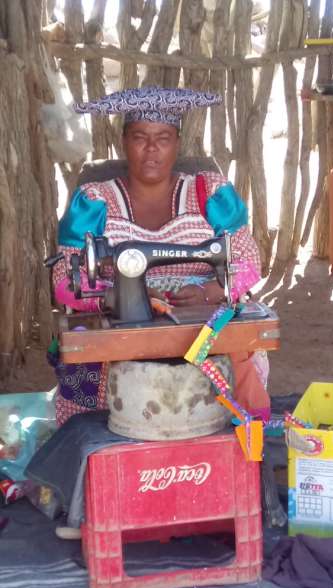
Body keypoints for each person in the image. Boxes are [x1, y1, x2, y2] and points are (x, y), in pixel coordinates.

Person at [51, 86, 270, 430]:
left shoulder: (210, 192)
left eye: (163, 138)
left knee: (237, 357)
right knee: (91, 377)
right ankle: (100, 457)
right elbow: (65, 278)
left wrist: (208, 293)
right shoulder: (94, 201)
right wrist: (123, 297)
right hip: (121, 326)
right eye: (140, 137)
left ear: (177, 144)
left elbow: (246, 259)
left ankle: (241, 443)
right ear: (124, 142)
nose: (151, 149)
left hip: (204, 321)